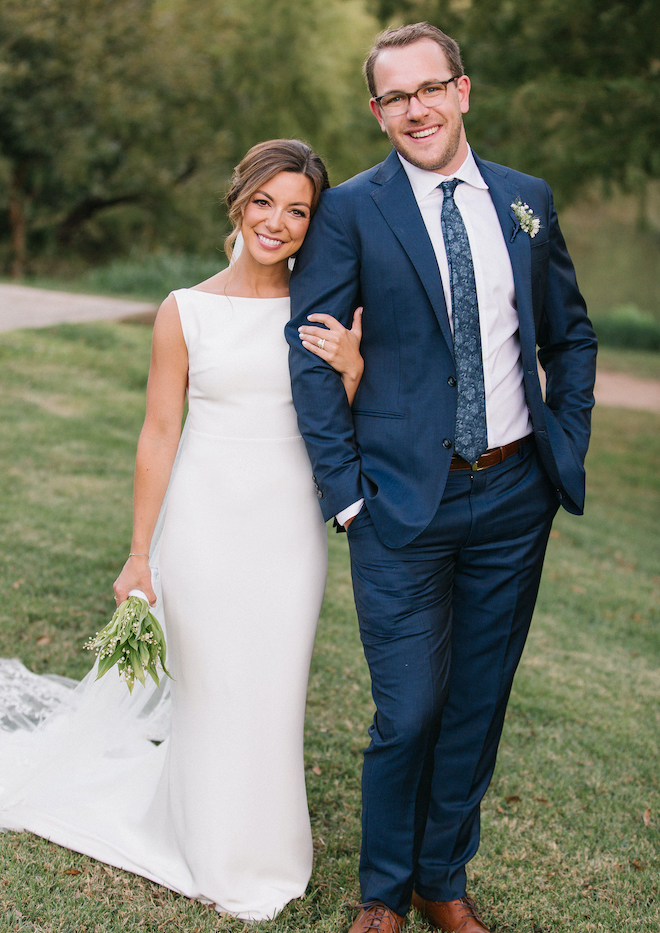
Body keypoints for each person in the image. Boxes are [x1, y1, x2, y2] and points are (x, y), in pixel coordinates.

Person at [0, 139, 363, 921]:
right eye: (265, 202)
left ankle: (267, 848)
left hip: (288, 528)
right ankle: (205, 845)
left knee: (273, 684)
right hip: (201, 522)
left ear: (312, 221)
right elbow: (158, 435)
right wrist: (140, 553)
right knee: (211, 686)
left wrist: (354, 366)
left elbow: (350, 421)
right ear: (239, 202)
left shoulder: (325, 307)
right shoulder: (184, 309)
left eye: (297, 209)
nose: (278, 221)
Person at [286, 23, 597, 933]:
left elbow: (568, 333)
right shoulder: (349, 210)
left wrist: (561, 441)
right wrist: (346, 494)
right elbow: (311, 359)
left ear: (463, 90)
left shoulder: (526, 200)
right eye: (395, 97)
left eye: (431, 89)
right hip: (397, 503)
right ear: (376, 111)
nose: (415, 109)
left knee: (476, 702)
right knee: (410, 709)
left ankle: (440, 879)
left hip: (513, 495)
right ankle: (381, 894)